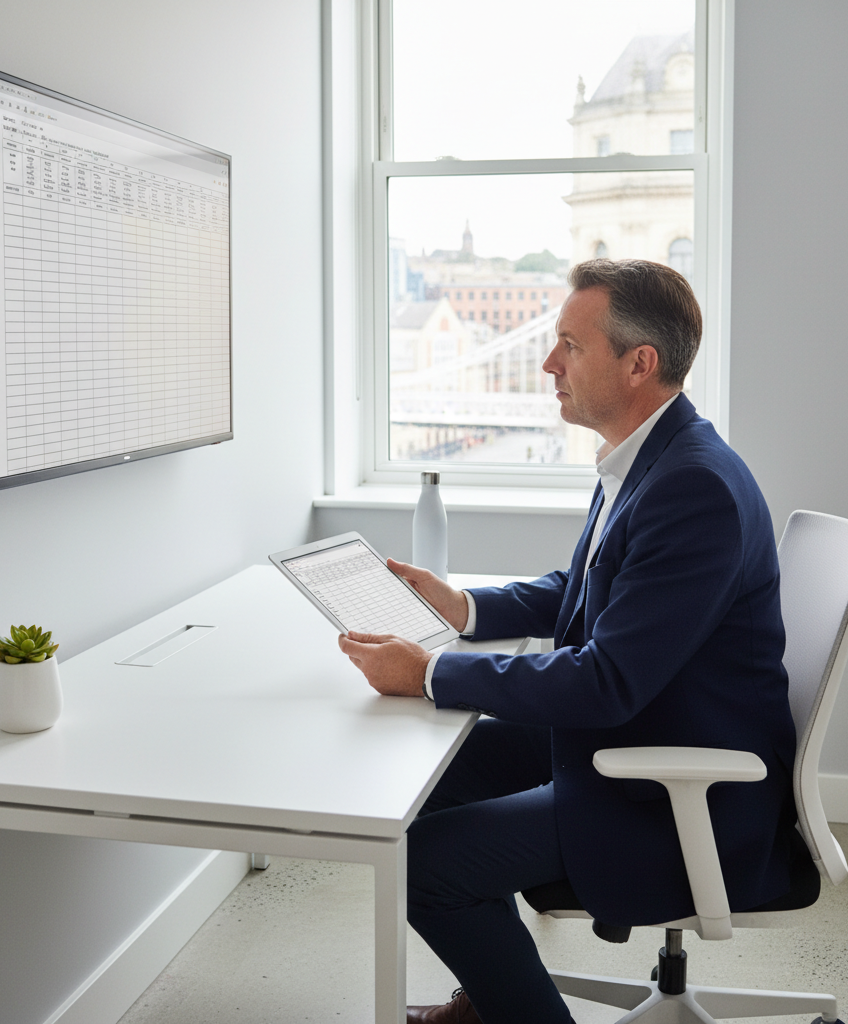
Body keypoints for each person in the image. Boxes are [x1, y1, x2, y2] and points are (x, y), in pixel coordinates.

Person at [338, 259, 797, 1024]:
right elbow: (582, 589)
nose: (548, 363)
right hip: (639, 731)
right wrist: (464, 607)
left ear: (638, 363)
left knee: (423, 866)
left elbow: (605, 681)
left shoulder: (695, 488)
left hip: (674, 787)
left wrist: (430, 673)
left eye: (569, 346)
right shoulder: (647, 454)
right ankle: (496, 995)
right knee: (422, 782)